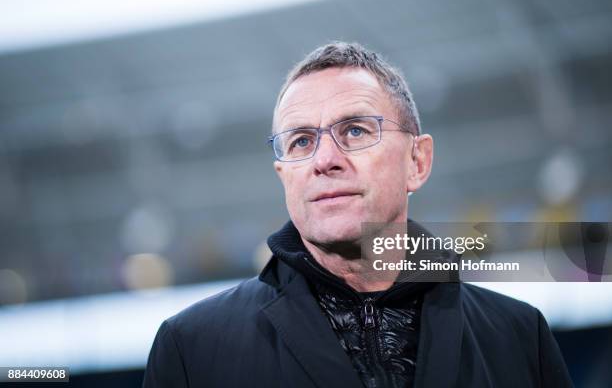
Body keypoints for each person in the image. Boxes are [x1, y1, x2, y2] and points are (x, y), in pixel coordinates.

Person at [143, 42, 573, 387]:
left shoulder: (518, 335)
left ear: (417, 162)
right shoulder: (192, 347)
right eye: (300, 142)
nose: (324, 159)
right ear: (283, 175)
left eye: (355, 131)